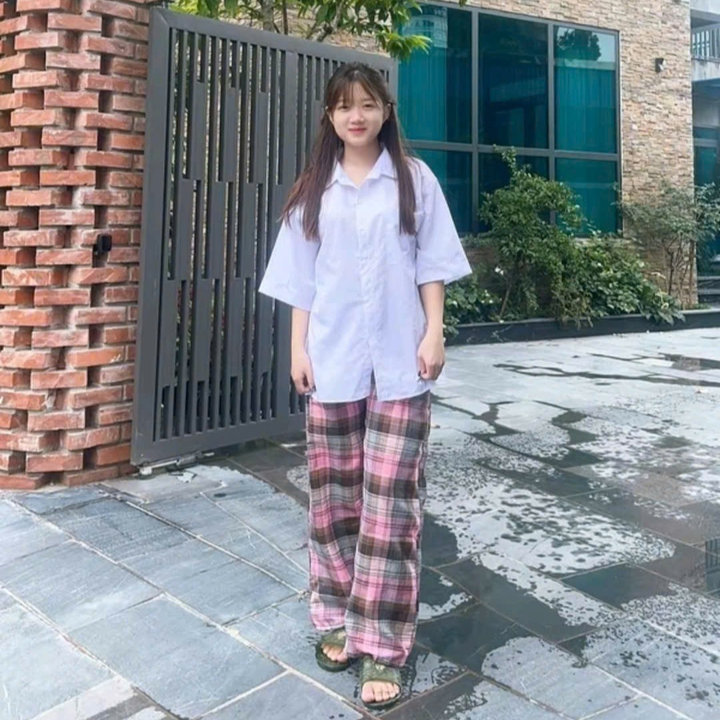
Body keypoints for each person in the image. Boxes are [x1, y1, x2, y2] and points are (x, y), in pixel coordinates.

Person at [258, 62, 471, 711]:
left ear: (385, 112)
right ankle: (335, 615)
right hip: (333, 359)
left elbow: (432, 264)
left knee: (392, 505)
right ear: (330, 115)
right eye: (345, 105)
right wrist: (297, 349)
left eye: (369, 104)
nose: (357, 115)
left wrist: (434, 333)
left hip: (402, 361)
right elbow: (300, 280)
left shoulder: (414, 180)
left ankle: (383, 642)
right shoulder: (313, 190)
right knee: (334, 500)